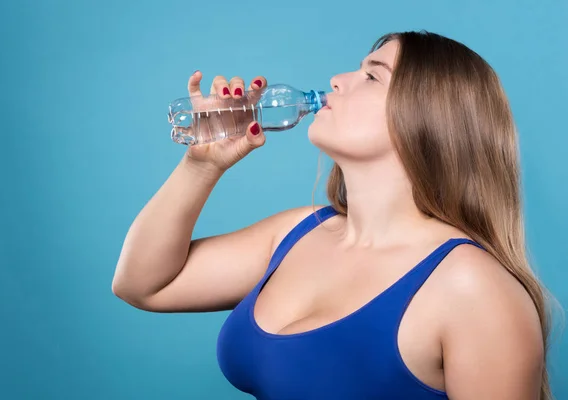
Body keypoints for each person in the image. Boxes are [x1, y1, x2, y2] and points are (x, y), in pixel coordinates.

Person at [112, 30, 551, 399]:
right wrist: (202, 164)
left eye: (371, 76)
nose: (338, 80)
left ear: (428, 117)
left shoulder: (472, 287)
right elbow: (143, 285)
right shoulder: (298, 233)